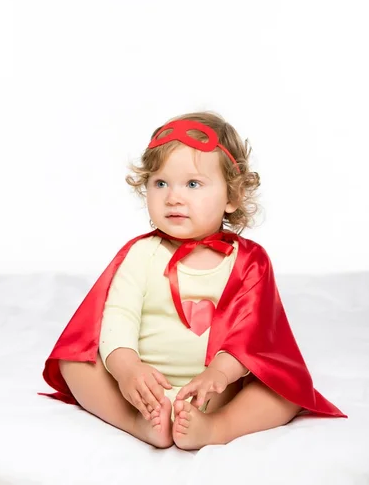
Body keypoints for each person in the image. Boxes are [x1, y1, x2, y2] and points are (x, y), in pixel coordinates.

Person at [41, 111, 346, 450]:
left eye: (192, 184)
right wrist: (128, 370)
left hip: (212, 391)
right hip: (140, 387)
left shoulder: (248, 261)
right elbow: (118, 317)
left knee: (284, 389)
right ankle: (138, 422)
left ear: (231, 196)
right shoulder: (141, 254)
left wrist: (217, 376)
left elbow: (252, 334)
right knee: (73, 361)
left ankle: (217, 426)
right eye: (160, 183)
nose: (173, 197)